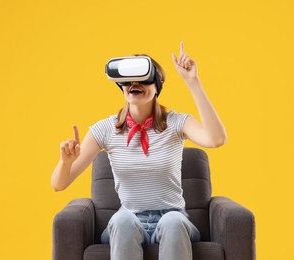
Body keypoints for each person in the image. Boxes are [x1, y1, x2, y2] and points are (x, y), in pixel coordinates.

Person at [51, 42, 227, 260]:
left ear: (157, 85)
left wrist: (193, 82)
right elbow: (59, 184)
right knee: (123, 222)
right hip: (129, 218)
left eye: (142, 78)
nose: (135, 83)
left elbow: (217, 139)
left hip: (172, 217)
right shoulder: (105, 129)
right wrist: (65, 162)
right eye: (129, 79)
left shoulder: (176, 123)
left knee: (172, 222)